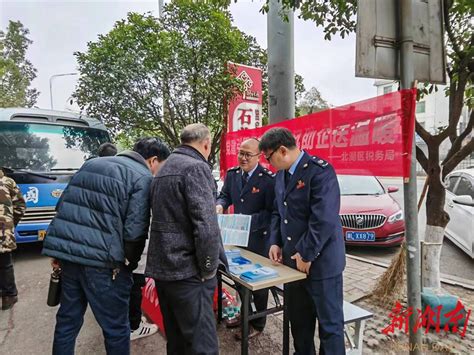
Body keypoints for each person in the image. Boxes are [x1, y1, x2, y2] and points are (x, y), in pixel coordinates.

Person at [42, 137, 165, 355]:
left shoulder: (91, 164)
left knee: (67, 321)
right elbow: (135, 231)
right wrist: (130, 264)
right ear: (153, 160)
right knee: (116, 328)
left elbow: (62, 206)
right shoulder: (142, 177)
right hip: (105, 265)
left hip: (70, 258)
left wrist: (58, 251)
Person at [259, 128, 346, 355]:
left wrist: (307, 253)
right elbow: (279, 212)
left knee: (330, 326)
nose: (268, 164)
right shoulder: (280, 175)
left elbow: (324, 218)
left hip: (322, 262)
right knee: (299, 322)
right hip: (292, 263)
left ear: (283, 150)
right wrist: (275, 242)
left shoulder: (320, 172)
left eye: (268, 158)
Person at [146, 123, 225, 355]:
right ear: (206, 144)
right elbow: (207, 228)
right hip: (189, 273)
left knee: (177, 341)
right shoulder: (196, 168)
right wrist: (208, 269)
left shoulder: (164, 167)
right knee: (203, 346)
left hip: (164, 269)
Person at [216, 138, 275, 338]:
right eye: (240, 153)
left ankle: (257, 324)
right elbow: (225, 195)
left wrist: (248, 221)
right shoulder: (233, 175)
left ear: (259, 157)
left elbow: (271, 212)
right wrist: (220, 205)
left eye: (248, 154)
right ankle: (244, 315)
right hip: (237, 239)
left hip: (258, 240)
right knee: (239, 281)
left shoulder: (268, 179)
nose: (242, 158)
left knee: (258, 285)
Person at [129, 139, 170, 341]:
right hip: (133, 250)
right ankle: (133, 326)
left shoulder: (122, 171)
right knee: (134, 286)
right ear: (154, 160)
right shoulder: (143, 179)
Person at [0, 168, 26, 310]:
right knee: (5, 264)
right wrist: (11, 223)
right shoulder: (8, 182)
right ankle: (8, 296)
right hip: (3, 229)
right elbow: (20, 206)